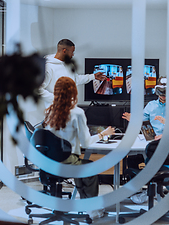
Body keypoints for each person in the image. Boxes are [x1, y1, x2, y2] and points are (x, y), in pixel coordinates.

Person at [43, 76, 115, 219]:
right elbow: (86, 143)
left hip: (49, 163)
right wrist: (103, 134)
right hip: (67, 161)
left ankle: (87, 206)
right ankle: (92, 211)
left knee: (82, 166)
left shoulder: (48, 111)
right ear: (73, 93)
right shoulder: (77, 113)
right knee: (88, 167)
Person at [40, 39, 106, 107]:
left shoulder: (68, 65)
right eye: (72, 52)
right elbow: (38, 90)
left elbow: (75, 79)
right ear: (64, 51)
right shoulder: (48, 67)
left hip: (70, 109)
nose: (73, 55)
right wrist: (56, 99)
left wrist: (93, 76)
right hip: (55, 112)